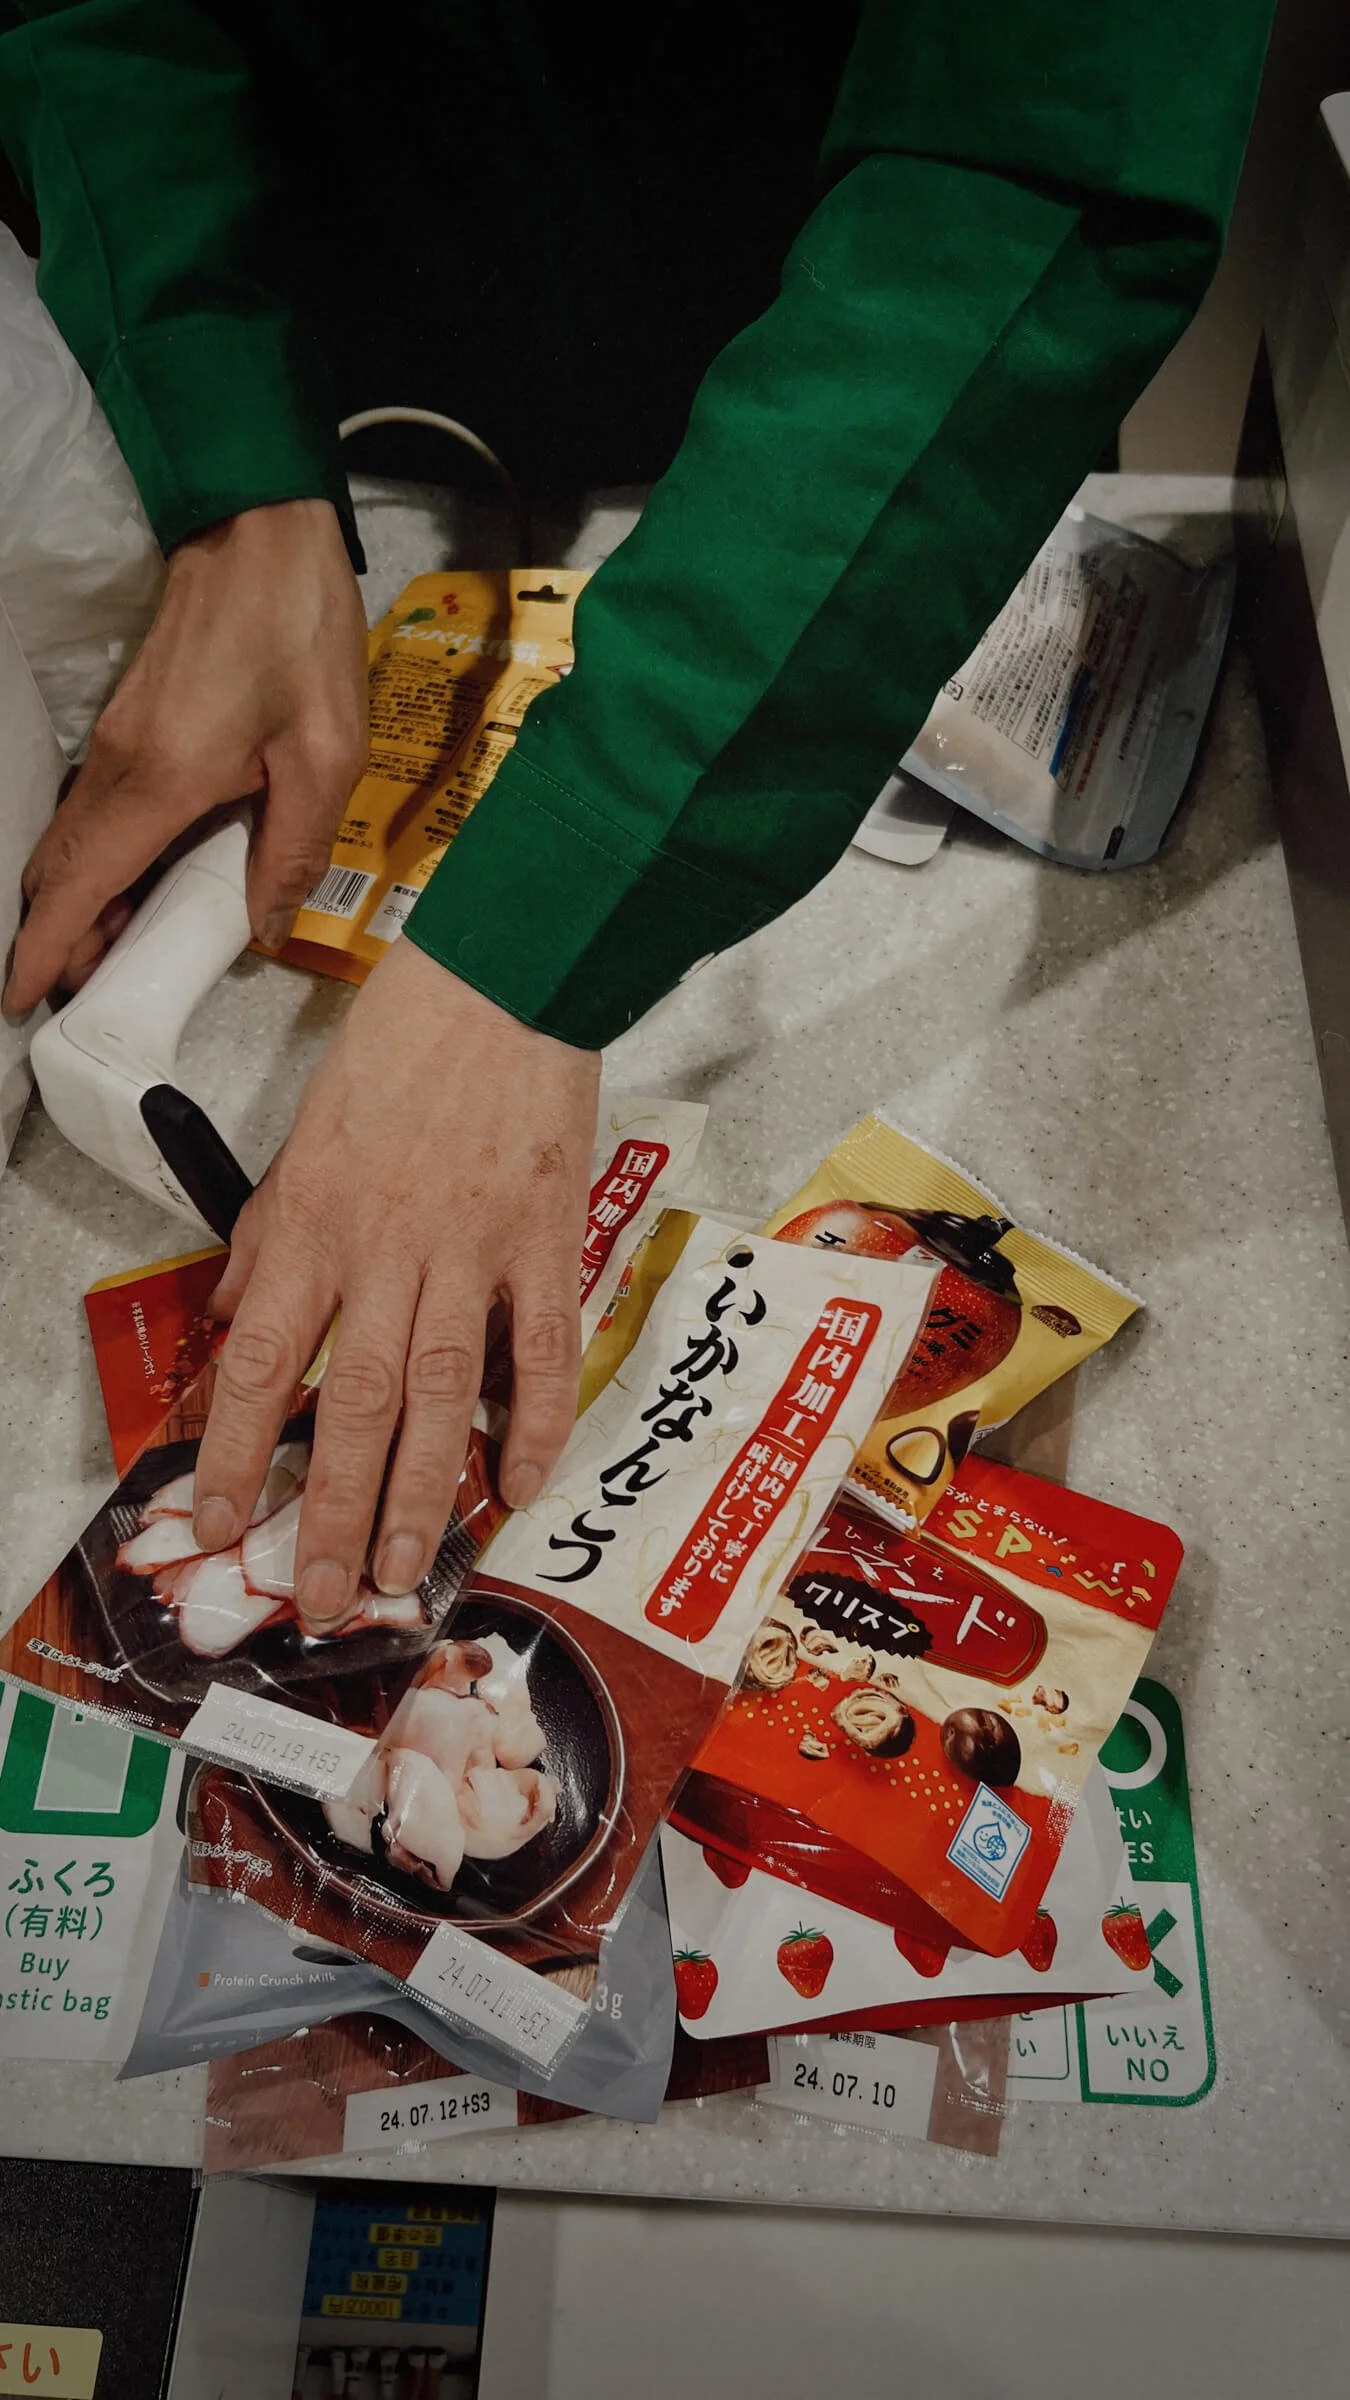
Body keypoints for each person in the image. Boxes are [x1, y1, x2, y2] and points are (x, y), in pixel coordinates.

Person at [0, 1, 1274, 1630]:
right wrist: (232, 464)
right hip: (322, 313)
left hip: (842, 394)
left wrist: (544, 926)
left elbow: (1027, 155)